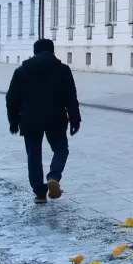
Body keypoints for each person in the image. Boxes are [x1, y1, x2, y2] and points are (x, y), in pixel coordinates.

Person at [5, 38, 81, 205]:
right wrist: (75, 119)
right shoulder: (63, 70)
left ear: (34, 52)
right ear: (52, 52)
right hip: (56, 118)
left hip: (30, 119)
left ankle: (40, 193)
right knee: (61, 149)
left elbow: (11, 98)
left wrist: (13, 121)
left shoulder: (21, 71)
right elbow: (71, 97)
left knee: (34, 155)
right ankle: (53, 176)